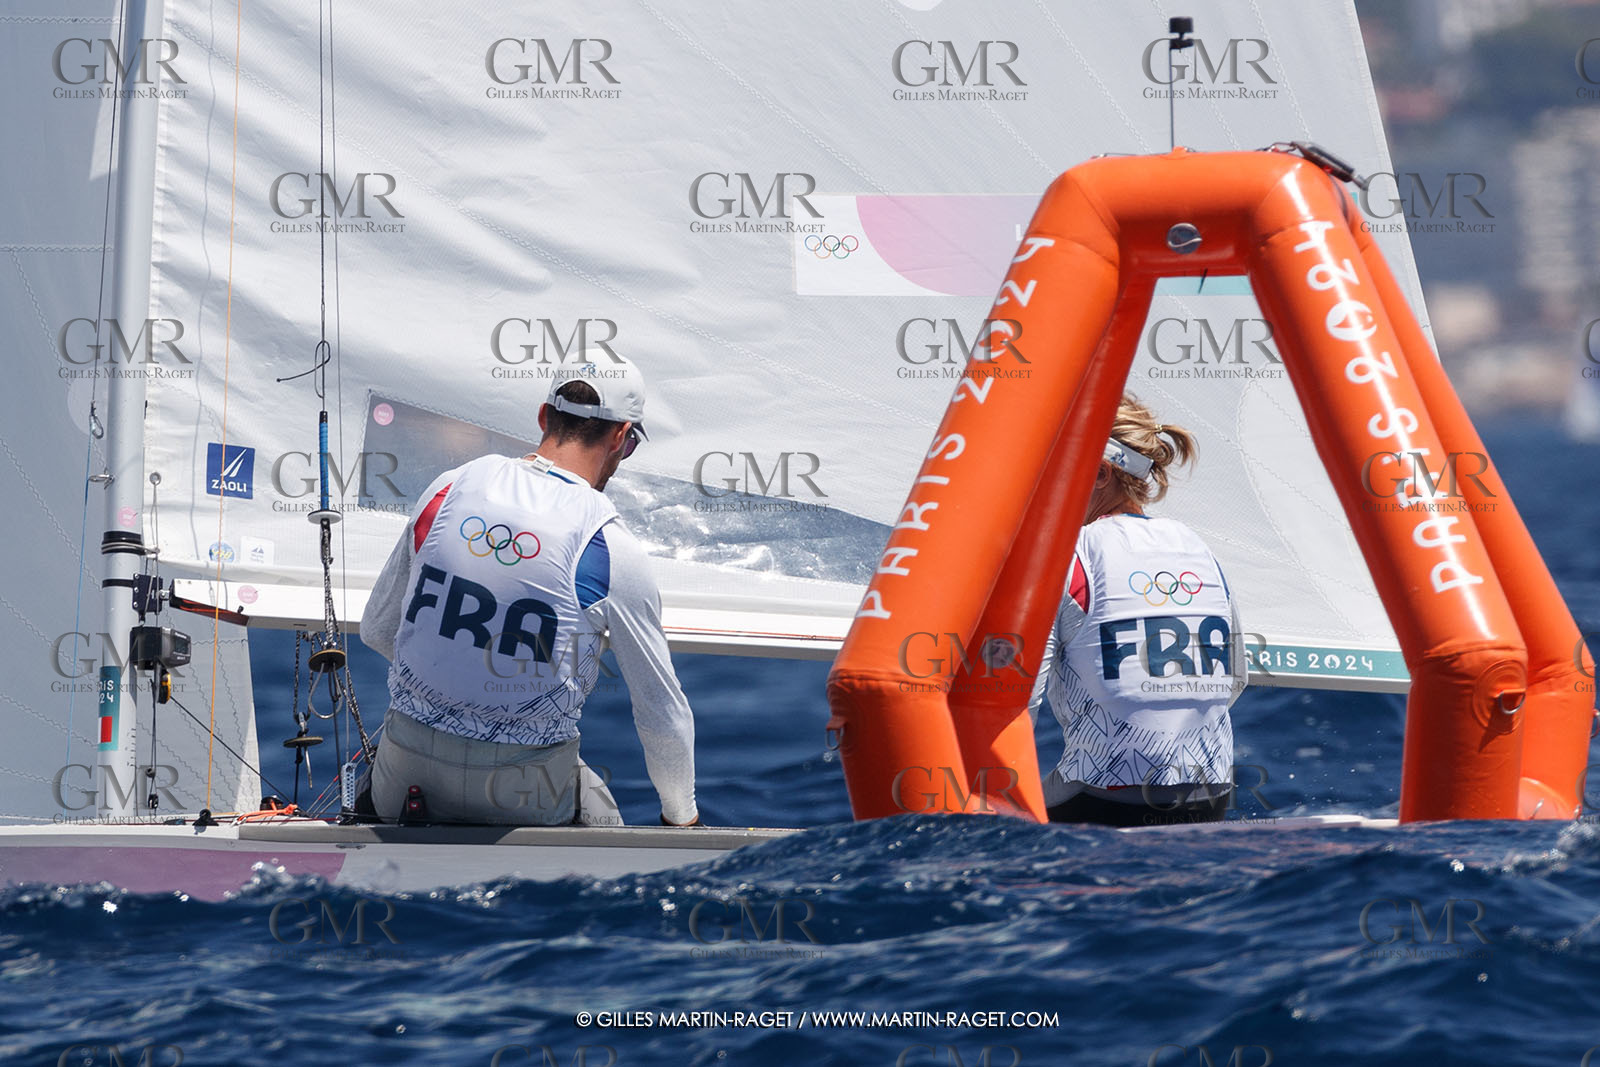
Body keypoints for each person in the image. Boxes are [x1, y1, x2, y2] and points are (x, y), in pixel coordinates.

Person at [359, 356, 699, 828]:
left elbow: (378, 630)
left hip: (407, 778)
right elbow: (662, 716)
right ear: (621, 438)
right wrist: (682, 822)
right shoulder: (610, 545)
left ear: (544, 417)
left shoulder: (449, 488)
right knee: (602, 810)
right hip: (524, 796)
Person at [1027, 393, 1245, 826]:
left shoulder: (1070, 556)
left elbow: (1018, 704)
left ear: (1102, 473)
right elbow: (1235, 679)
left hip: (1102, 802)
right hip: (1213, 797)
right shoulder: (1199, 548)